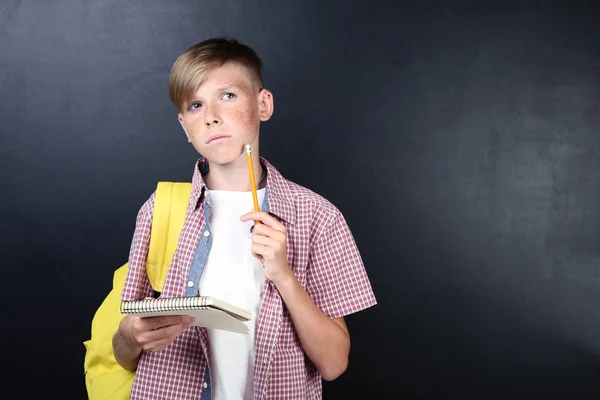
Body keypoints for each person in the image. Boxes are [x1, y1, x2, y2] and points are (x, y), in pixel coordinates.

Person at [112, 36, 377, 400]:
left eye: (228, 96)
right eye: (195, 105)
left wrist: (283, 274)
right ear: (185, 126)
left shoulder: (317, 216)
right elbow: (124, 356)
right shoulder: (160, 209)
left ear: (263, 104)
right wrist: (128, 336)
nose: (211, 116)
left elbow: (333, 364)